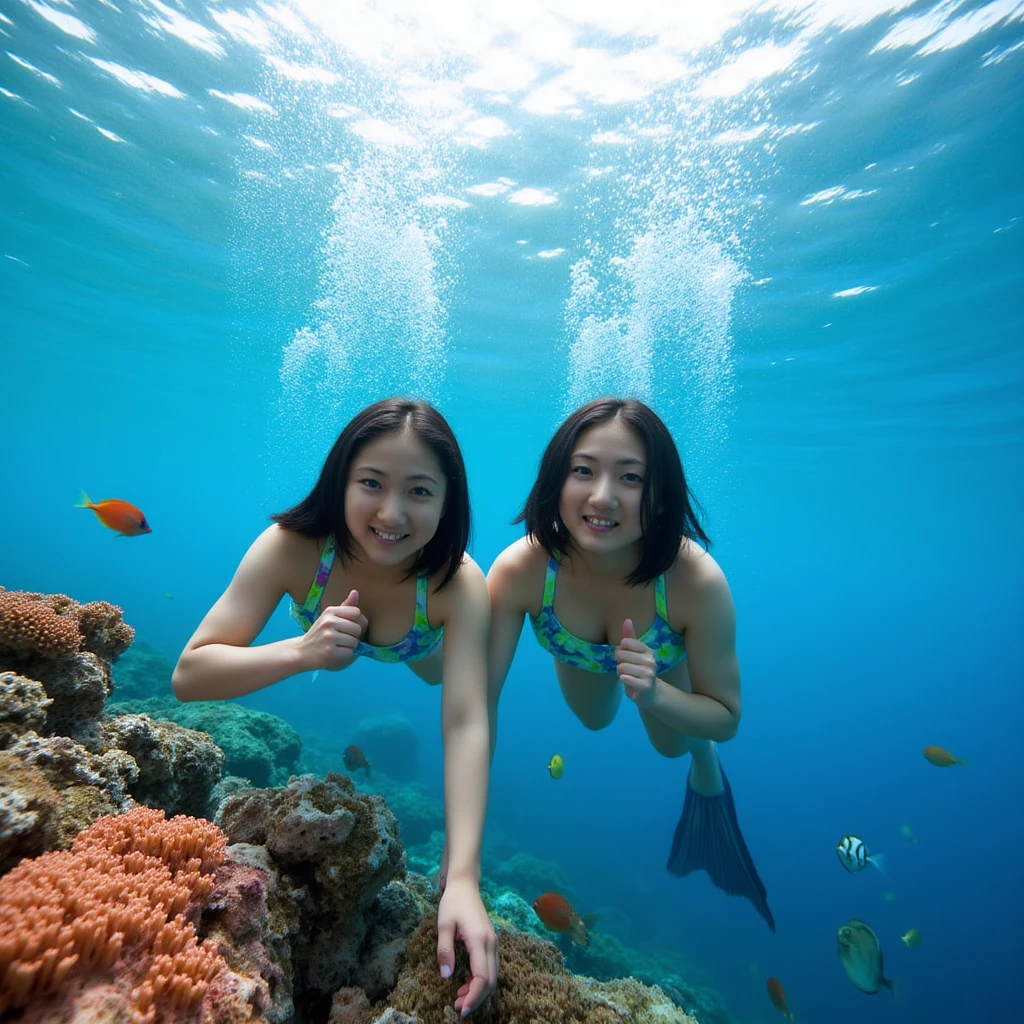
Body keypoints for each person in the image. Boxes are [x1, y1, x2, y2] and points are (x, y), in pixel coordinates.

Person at [172, 398, 498, 1013]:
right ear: (340, 479)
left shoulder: (457, 582)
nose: (392, 513)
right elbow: (190, 674)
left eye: (420, 491)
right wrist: (301, 651)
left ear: (449, 501)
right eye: (371, 483)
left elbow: (464, 721)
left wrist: (463, 878)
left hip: (420, 643)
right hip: (327, 638)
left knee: (438, 676)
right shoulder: (293, 547)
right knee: (357, 654)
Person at [486, 398, 774, 932]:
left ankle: (702, 767)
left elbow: (727, 717)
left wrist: (658, 693)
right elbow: (476, 706)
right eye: (583, 471)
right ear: (556, 478)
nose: (603, 497)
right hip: (576, 651)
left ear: (660, 492)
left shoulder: (695, 581)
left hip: (660, 663)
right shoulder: (521, 570)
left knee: (671, 746)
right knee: (593, 720)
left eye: (631, 477)